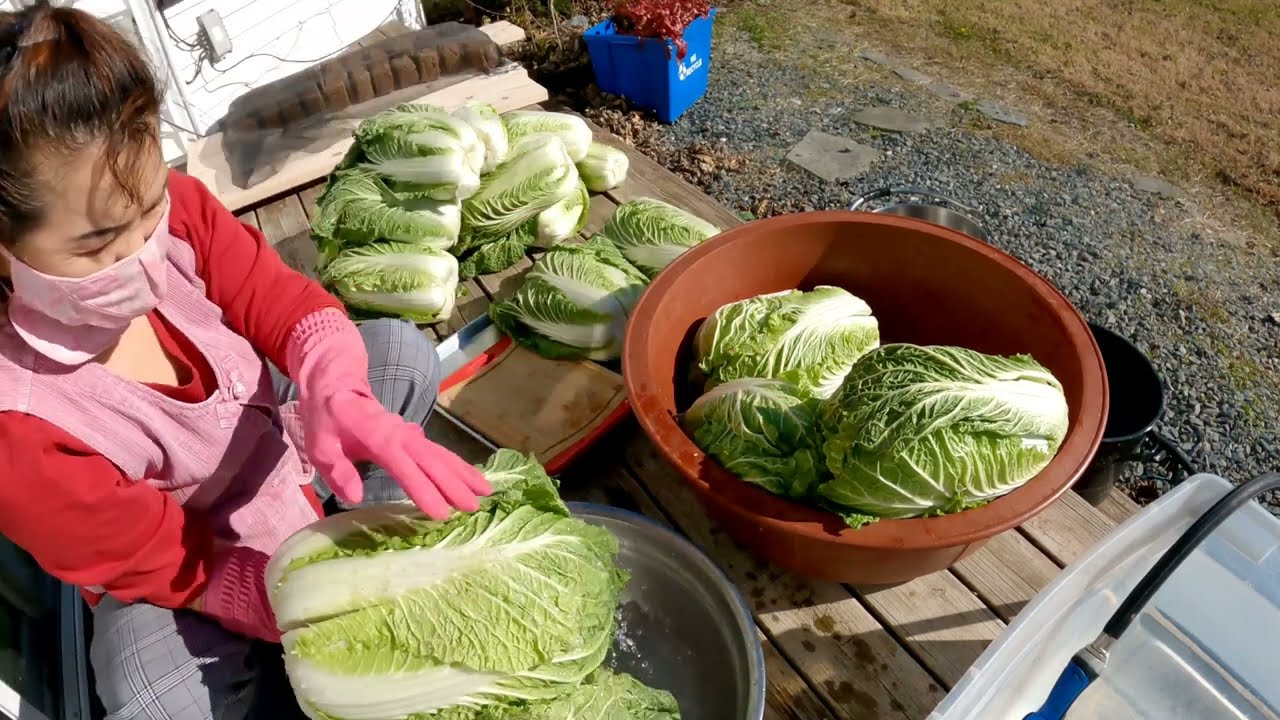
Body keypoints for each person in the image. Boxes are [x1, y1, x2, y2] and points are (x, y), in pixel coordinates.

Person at [0, 4, 493, 718]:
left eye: (149, 213)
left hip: (273, 450)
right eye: (99, 244)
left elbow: (278, 300)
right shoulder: (18, 421)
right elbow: (158, 557)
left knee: (396, 353)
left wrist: (335, 390)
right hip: (183, 564)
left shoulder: (181, 211)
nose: (141, 253)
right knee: (155, 699)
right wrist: (278, 597)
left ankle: (362, 516)